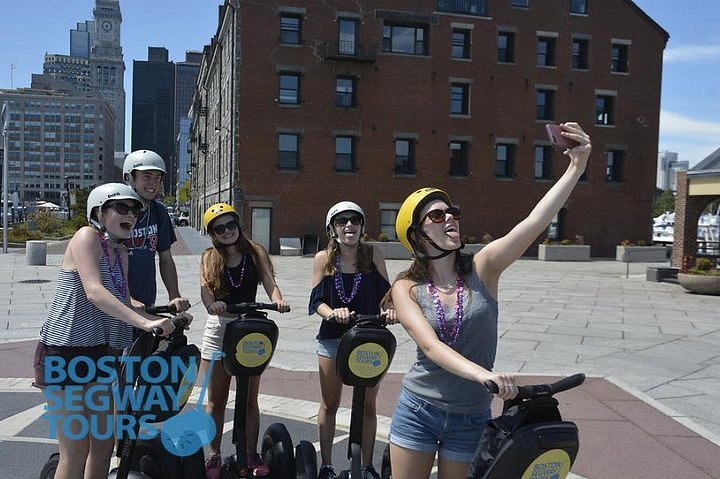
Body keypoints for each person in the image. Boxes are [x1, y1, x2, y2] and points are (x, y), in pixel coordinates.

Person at [387, 122, 592, 479]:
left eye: (452, 212)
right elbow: (432, 348)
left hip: (471, 415)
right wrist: (486, 375)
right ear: (417, 236)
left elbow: (533, 223)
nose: (449, 217)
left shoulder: (483, 268)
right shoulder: (406, 288)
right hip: (419, 409)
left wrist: (577, 165)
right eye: (437, 215)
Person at [32, 183, 189, 479]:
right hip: (64, 354)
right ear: (99, 212)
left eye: (134, 210)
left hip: (100, 353)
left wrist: (165, 316)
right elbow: (94, 291)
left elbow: (122, 299)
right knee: (76, 449)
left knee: (104, 443)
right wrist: (145, 323)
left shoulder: (121, 253)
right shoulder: (85, 237)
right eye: (121, 208)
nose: (130, 214)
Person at [199, 202, 291, 479]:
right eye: (220, 228)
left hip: (250, 328)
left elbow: (268, 280)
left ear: (239, 225)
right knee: (216, 399)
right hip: (221, 326)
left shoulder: (254, 252)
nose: (227, 231)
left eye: (231, 225)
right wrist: (212, 305)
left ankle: (251, 453)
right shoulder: (209, 257)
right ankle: (213, 455)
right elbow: (205, 289)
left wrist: (278, 300)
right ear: (212, 233)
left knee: (250, 397)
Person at [309, 201, 397, 479]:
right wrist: (332, 313)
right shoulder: (323, 259)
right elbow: (316, 302)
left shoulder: (373, 254)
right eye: (342, 221)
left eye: (355, 221)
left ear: (362, 226)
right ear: (332, 228)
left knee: (368, 405)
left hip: (368, 338)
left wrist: (390, 310)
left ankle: (368, 466)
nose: (349, 225)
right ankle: (327, 465)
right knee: (330, 403)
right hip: (334, 339)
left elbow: (388, 295)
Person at [122, 149, 190, 315]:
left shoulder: (158, 211)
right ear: (128, 178)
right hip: (117, 304)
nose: (153, 183)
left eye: (157, 177)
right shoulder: (116, 212)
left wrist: (174, 295)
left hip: (146, 302)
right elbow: (104, 263)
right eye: (146, 176)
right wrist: (126, 297)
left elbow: (165, 258)